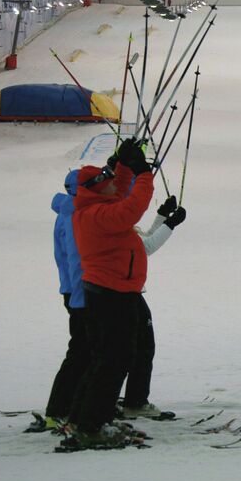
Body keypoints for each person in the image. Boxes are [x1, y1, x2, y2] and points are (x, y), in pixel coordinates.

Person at [62, 138, 154, 450]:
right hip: (112, 294)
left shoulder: (95, 205)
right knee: (114, 361)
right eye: (106, 181)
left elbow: (120, 189)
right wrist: (143, 172)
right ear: (95, 190)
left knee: (106, 359)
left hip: (111, 292)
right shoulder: (97, 215)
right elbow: (134, 207)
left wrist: (123, 164)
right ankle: (91, 424)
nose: (113, 184)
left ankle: (83, 417)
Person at [121, 196, 186, 418]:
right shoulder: (113, 224)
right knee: (140, 347)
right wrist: (170, 224)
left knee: (134, 348)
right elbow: (146, 246)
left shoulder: (112, 221)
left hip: (127, 291)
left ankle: (131, 399)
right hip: (125, 293)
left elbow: (143, 241)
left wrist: (162, 215)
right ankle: (134, 401)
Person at [43, 170, 88, 430]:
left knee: (84, 350)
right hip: (78, 292)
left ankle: (70, 404)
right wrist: (83, 296)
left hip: (74, 290)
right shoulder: (72, 215)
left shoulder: (70, 211)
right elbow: (75, 260)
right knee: (81, 351)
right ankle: (60, 407)